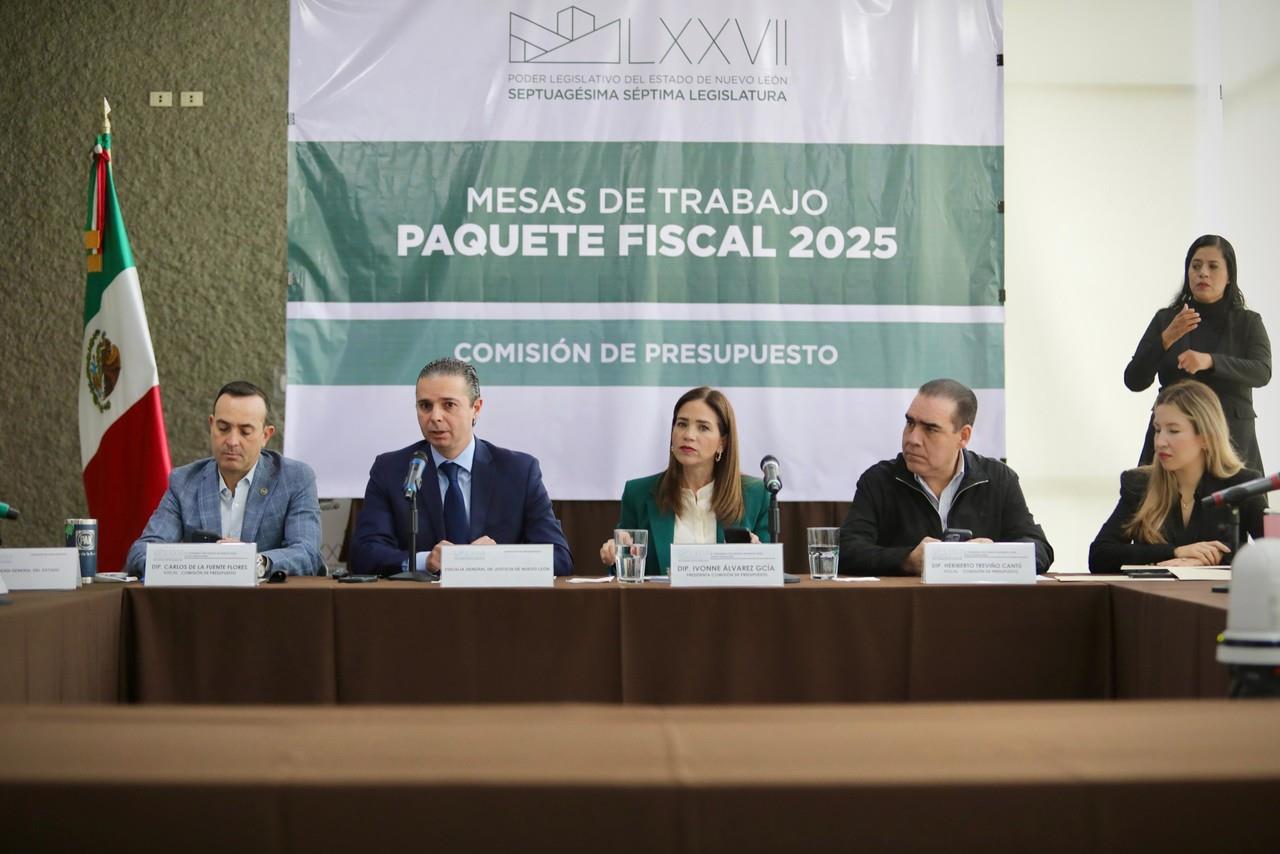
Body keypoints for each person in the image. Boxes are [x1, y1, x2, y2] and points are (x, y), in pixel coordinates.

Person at [349, 358, 572, 576]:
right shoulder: (392, 470)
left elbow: (559, 558)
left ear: (476, 408)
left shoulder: (519, 471)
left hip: (497, 607)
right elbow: (363, 555)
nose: (435, 417)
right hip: (417, 607)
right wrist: (424, 560)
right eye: (425, 406)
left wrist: (500, 558)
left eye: (448, 405)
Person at [839, 378, 1053, 576]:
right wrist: (906, 559)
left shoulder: (997, 478)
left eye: (930, 429)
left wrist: (991, 556)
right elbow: (847, 551)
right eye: (910, 423)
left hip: (981, 608)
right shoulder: (879, 480)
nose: (913, 438)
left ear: (963, 436)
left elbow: (1040, 549)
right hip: (907, 609)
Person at [126, 381, 324, 577]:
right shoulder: (184, 482)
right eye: (223, 428)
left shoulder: (294, 479)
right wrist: (205, 562)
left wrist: (251, 561)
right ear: (211, 425)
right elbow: (142, 552)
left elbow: (307, 553)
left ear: (266, 435)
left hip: (269, 605)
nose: (232, 441)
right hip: (202, 605)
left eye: (245, 431)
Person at [1124, 234, 1271, 474]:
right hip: (1173, 444)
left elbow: (1262, 372)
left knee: (1234, 510)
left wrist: (1210, 361)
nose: (1203, 273)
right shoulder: (1167, 319)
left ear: (1229, 276)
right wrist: (1165, 340)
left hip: (1231, 440)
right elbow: (1134, 380)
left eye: (1213, 266)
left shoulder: (1248, 322)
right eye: (1196, 266)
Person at [1089, 380, 1265, 573]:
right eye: (1157, 430)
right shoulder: (1140, 484)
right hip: (1154, 600)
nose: (1160, 442)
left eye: (1173, 431)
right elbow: (1100, 555)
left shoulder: (1241, 485)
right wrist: (1175, 552)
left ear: (1206, 437)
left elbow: (1274, 551)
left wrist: (1219, 557)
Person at [599, 386, 770, 576]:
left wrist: (758, 555)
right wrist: (616, 555)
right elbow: (626, 573)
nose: (688, 435)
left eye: (703, 427)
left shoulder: (755, 495)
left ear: (723, 442)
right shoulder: (638, 493)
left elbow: (768, 574)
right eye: (681, 424)